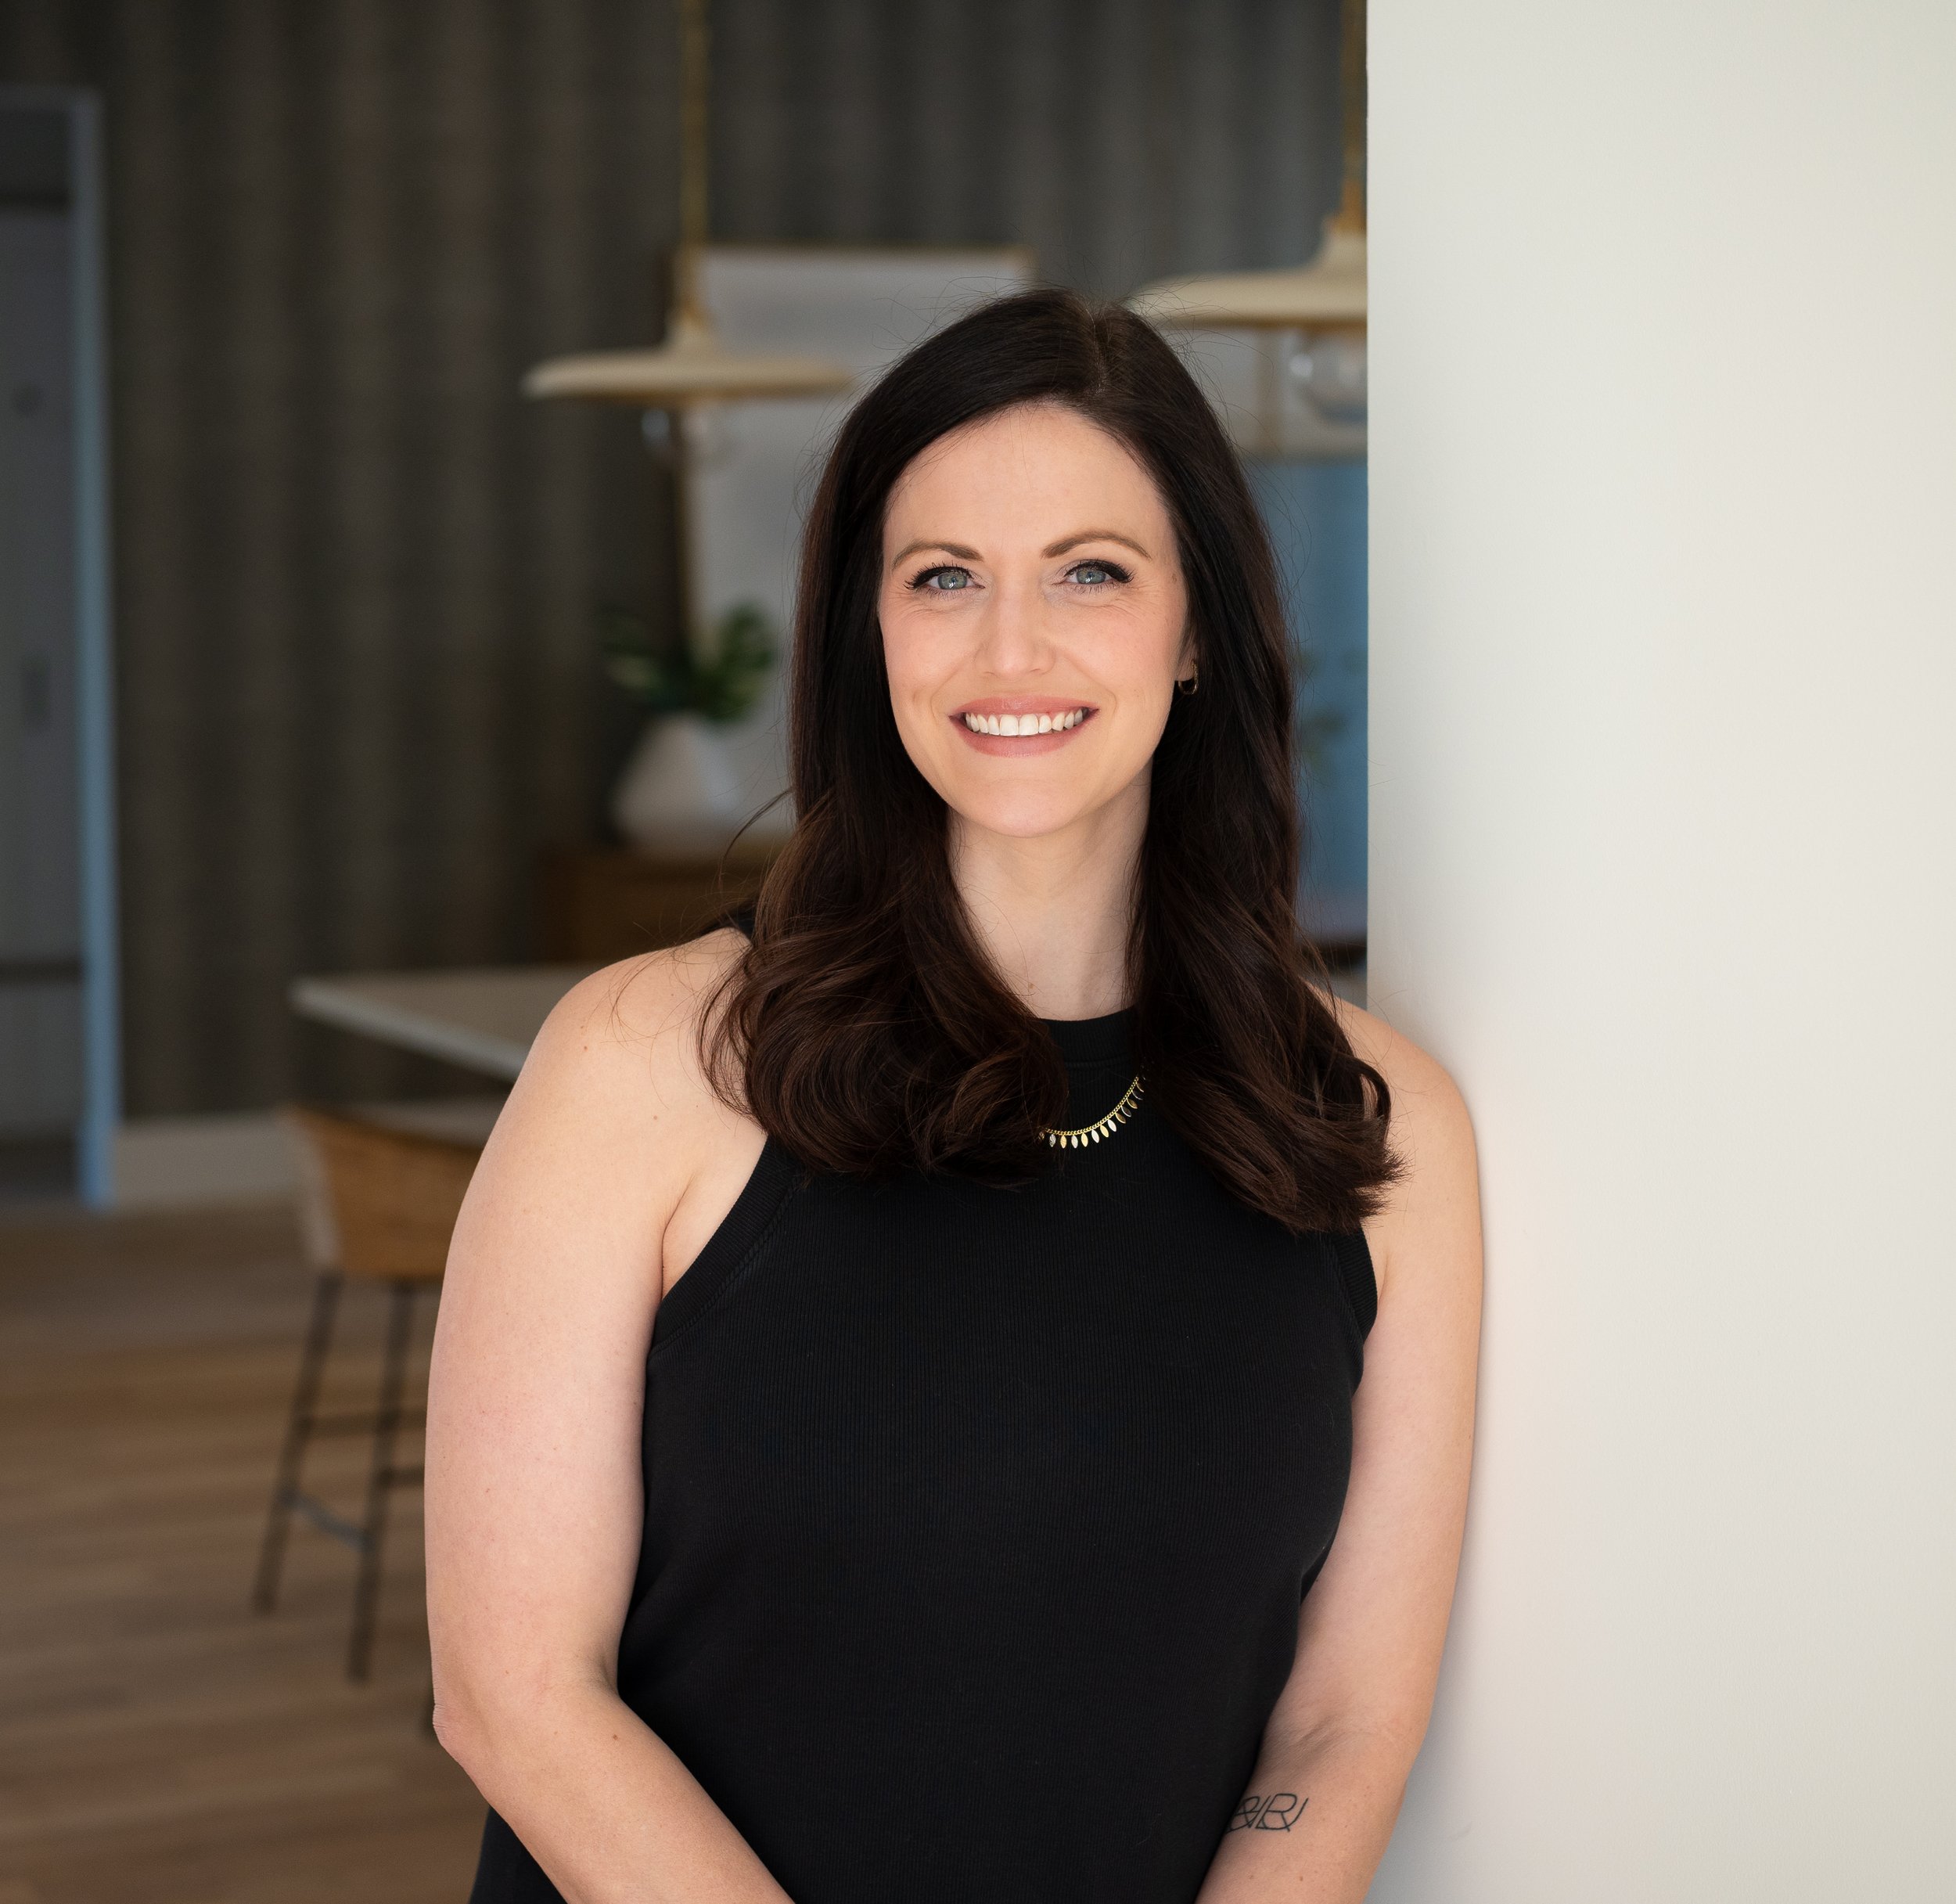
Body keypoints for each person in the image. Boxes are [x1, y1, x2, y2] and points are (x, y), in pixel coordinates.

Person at [426, 286, 1481, 1904]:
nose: (1010, 649)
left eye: (1090, 571)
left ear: (1198, 628)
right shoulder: (645, 1058)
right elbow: (515, 1696)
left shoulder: (1377, 1123)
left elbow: (1340, 1724)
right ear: (870, 629)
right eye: (942, 577)